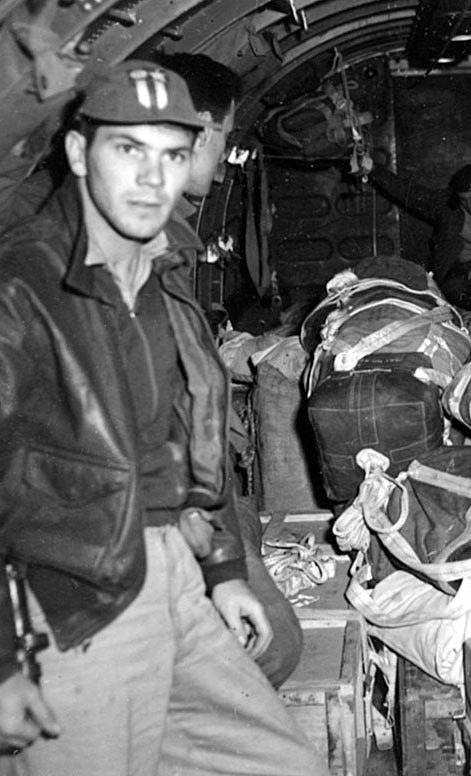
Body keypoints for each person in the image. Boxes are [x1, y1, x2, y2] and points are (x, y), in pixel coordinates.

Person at [0, 60, 328, 776]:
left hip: (170, 570)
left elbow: (179, 442)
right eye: (129, 150)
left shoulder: (162, 278)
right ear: (81, 154)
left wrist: (223, 567)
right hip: (70, 598)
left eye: (173, 155)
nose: (153, 179)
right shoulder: (4, 291)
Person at [160, 51, 304, 689]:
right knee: (271, 652)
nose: (223, 163)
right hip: (141, 528)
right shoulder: (67, 264)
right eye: (222, 137)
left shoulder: (169, 250)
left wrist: (221, 561)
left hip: (193, 507)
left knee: (275, 648)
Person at [363, 160, 471, 327]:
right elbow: (409, 193)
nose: (469, 205)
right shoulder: (447, 204)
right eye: (464, 200)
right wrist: (372, 168)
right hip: (465, 272)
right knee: (453, 288)